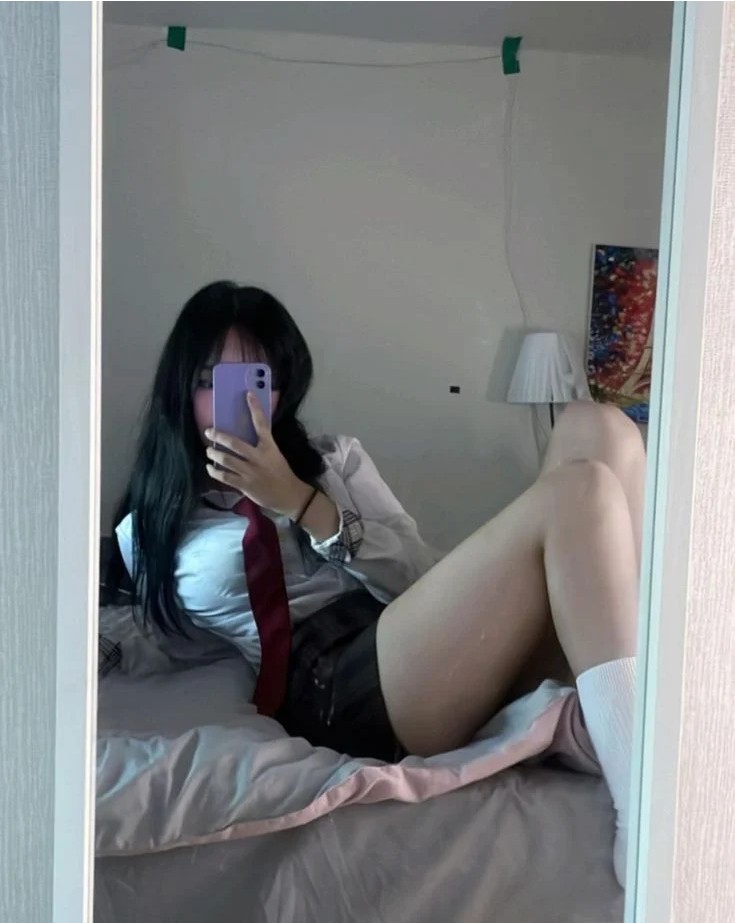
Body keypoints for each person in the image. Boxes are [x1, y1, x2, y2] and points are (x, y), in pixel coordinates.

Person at [109, 280, 642, 888]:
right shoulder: (152, 527)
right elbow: (153, 634)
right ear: (180, 388)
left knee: (598, 424)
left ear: (283, 387)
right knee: (582, 491)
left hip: (411, 635)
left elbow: (418, 574)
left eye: (257, 381)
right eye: (212, 382)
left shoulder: (334, 463)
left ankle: (629, 697)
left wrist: (303, 504)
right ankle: (643, 800)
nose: (239, 404)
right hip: (333, 685)